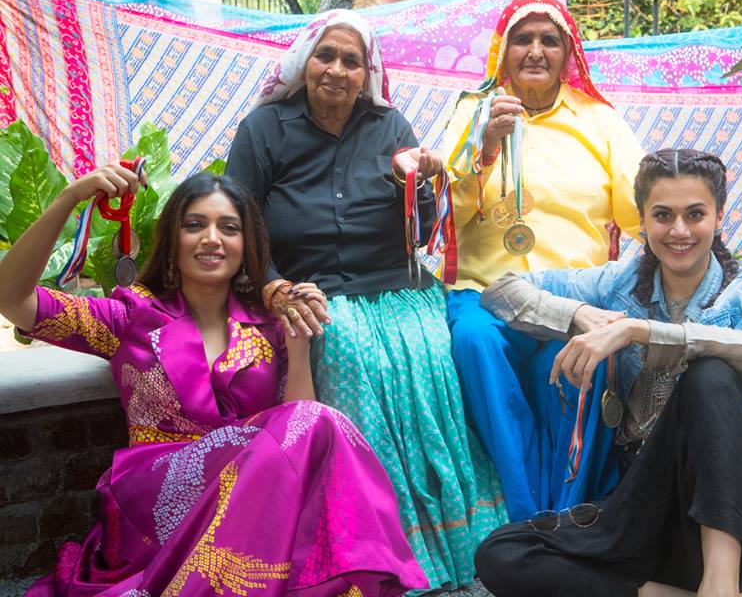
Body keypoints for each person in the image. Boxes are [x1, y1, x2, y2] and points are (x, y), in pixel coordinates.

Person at [0, 167, 428, 596]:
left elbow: (296, 426)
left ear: (246, 245)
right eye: (195, 225)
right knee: (317, 424)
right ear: (173, 241)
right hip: (157, 497)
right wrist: (70, 198)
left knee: (318, 425)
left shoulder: (266, 325)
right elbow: (11, 299)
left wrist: (297, 343)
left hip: (251, 497)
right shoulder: (129, 317)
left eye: (228, 228)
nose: (211, 238)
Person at [226, 9, 507, 589]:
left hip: (397, 287)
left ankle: (455, 538)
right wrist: (272, 285)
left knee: (433, 352)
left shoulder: (389, 125)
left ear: (367, 73)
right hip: (312, 291)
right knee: (347, 347)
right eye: (326, 56)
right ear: (304, 64)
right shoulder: (265, 129)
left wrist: (422, 185)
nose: (336, 70)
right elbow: (237, 221)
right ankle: (376, 540)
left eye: (351, 61)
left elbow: (421, 232)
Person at [473, 149, 742, 596]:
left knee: (709, 375)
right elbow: (502, 289)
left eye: (695, 214)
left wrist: (641, 331)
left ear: (719, 217)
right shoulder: (618, 283)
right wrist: (580, 315)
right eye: (663, 215)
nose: (679, 230)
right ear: (642, 221)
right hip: (651, 497)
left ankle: (721, 580)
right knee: (502, 553)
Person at [441, 0, 646, 520]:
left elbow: (644, 213)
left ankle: (568, 517)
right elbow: (446, 215)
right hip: (485, 293)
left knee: (584, 360)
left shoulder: (600, 121)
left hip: (573, 297)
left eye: (549, 40)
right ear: (502, 51)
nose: (535, 51)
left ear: (567, 54)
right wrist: (485, 148)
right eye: (523, 39)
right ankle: (528, 517)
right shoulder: (474, 111)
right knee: (474, 341)